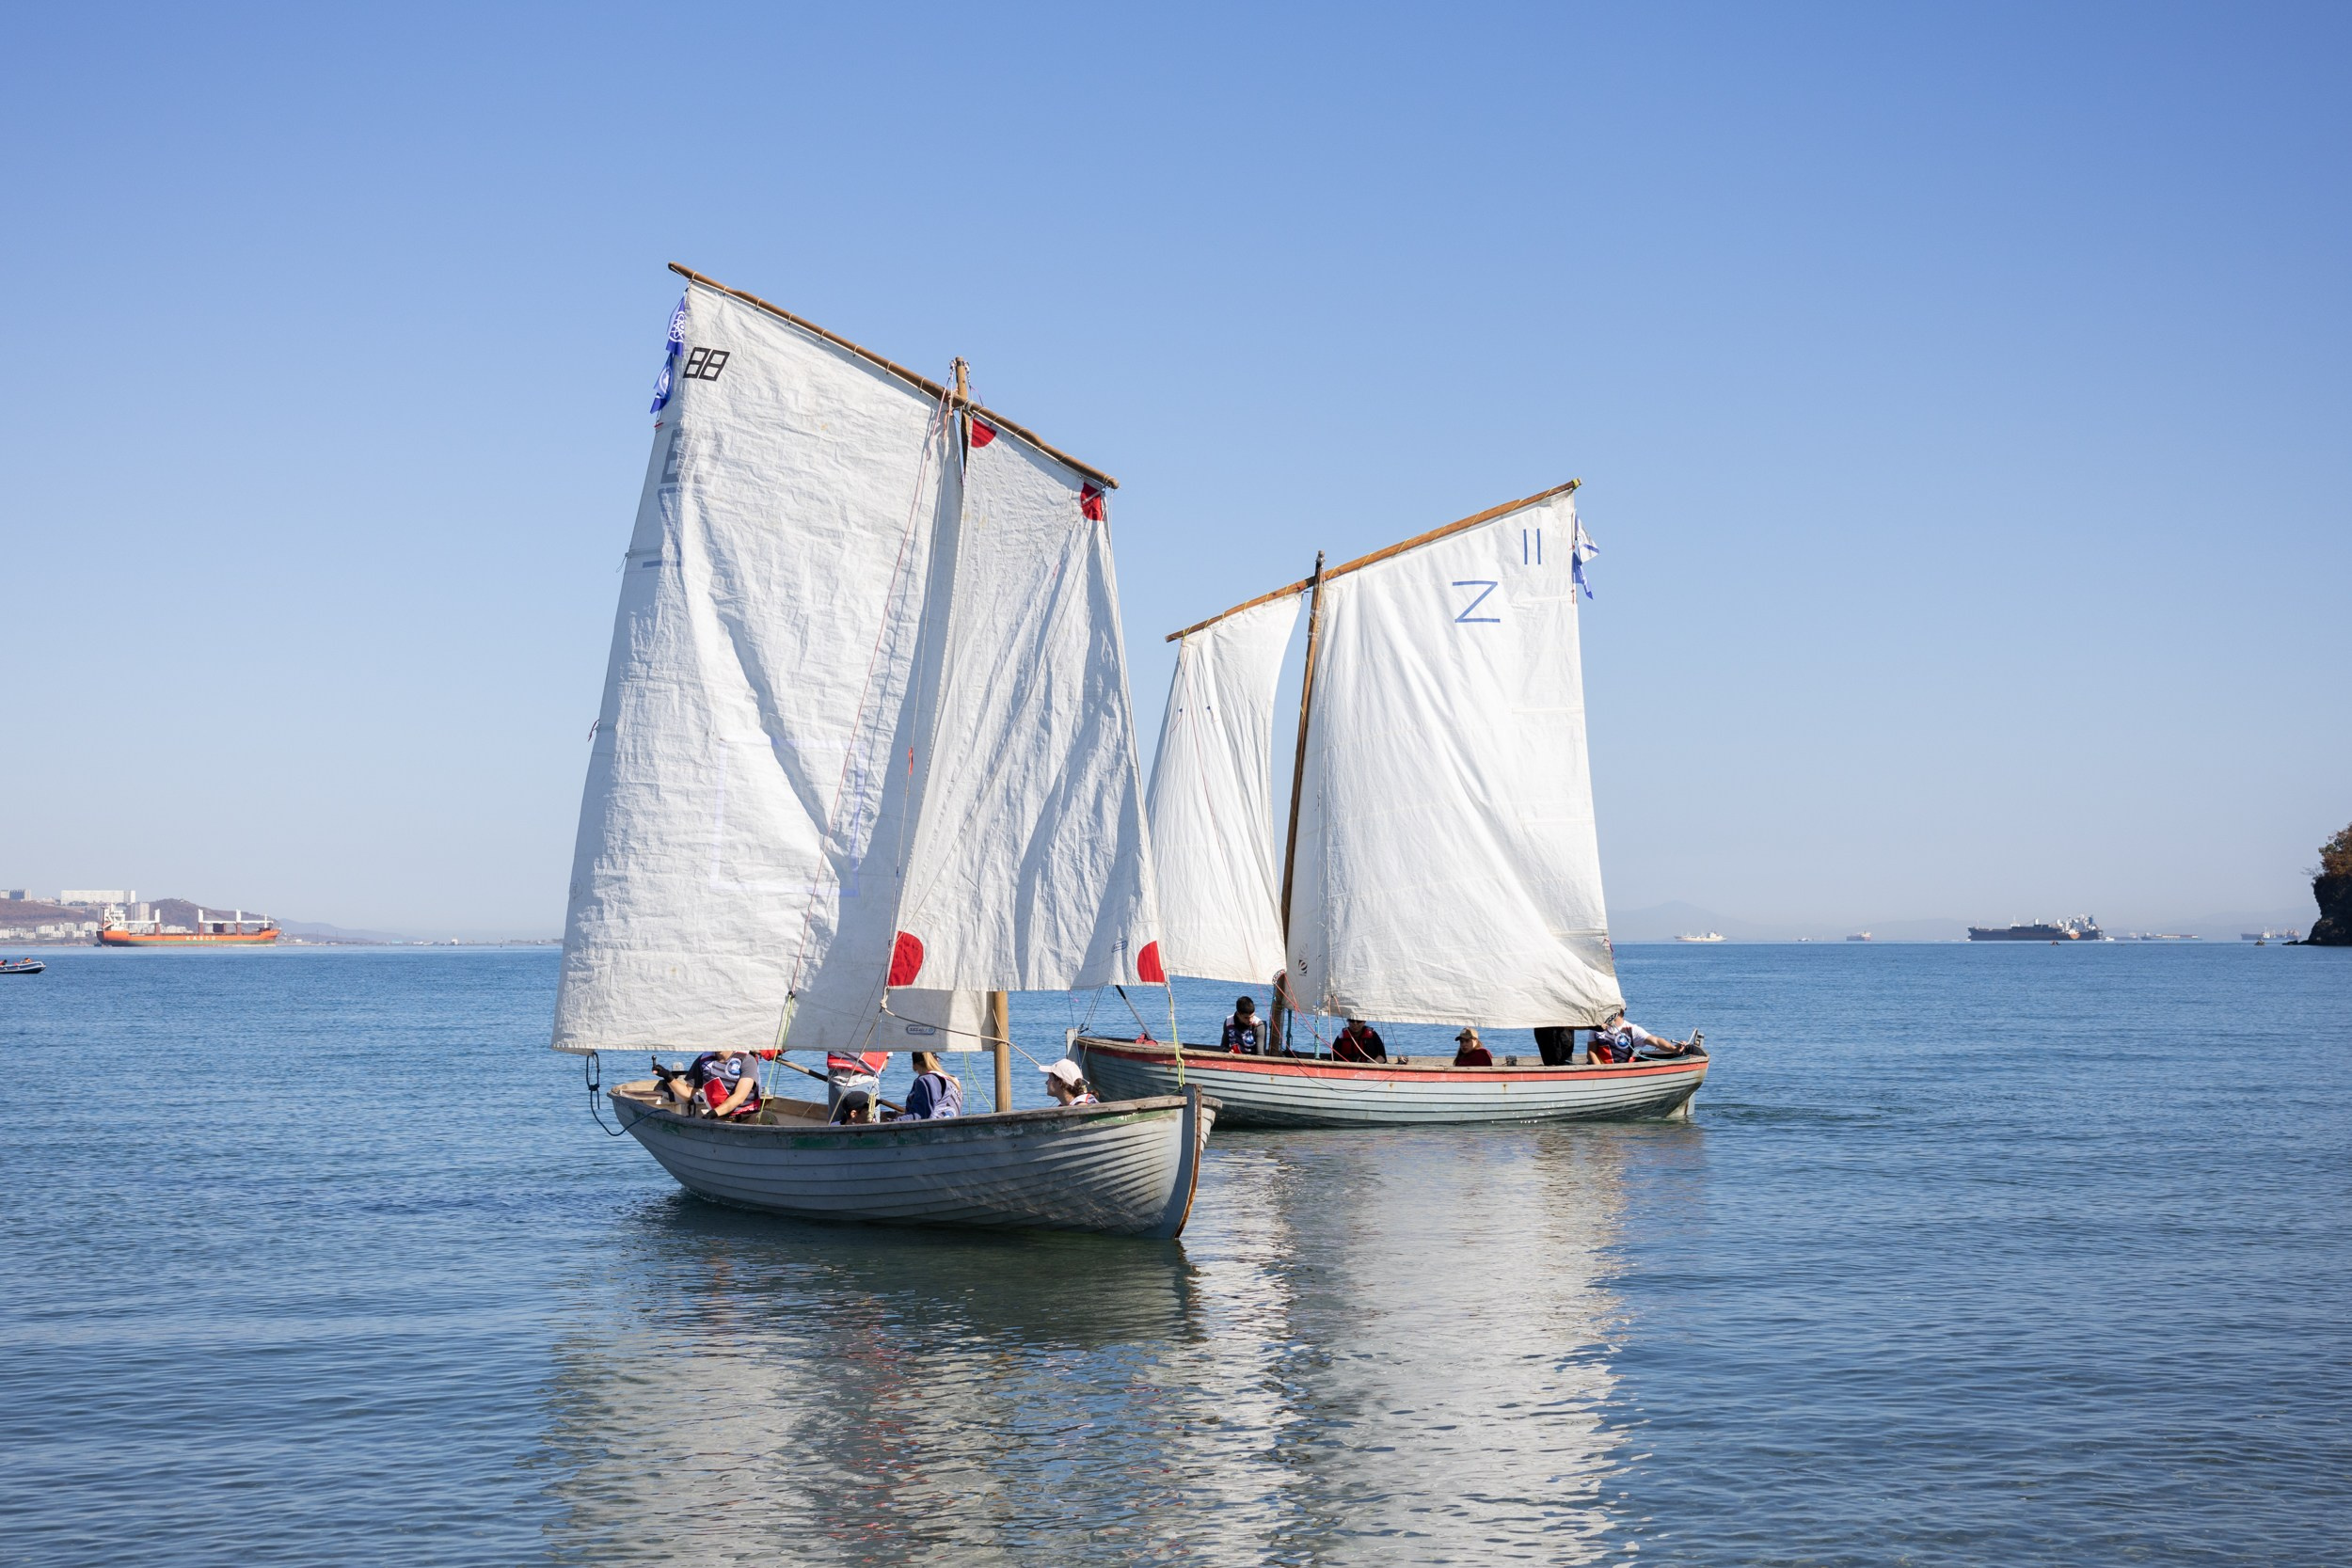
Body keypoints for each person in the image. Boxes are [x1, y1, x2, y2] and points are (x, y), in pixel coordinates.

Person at [656, 1047, 759, 1117]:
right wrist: (667, 1076)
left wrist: (713, 1114)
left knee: (768, 1118)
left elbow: (739, 1097)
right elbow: (687, 1094)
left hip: (747, 1115)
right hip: (719, 1118)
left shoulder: (746, 1059)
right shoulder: (703, 1060)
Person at [1590, 1007, 1702, 1062]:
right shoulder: (1597, 1029)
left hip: (1622, 1070)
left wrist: (1674, 1049)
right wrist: (1602, 1070)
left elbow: (1656, 1041)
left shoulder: (1632, 1029)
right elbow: (1591, 1052)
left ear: (1620, 1012)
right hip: (1602, 1070)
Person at [891, 1051, 963, 1120]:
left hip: (932, 1131)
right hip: (951, 1129)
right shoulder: (953, 1081)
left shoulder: (926, 1080)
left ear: (914, 1066)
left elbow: (920, 1116)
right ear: (937, 1060)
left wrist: (894, 1122)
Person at [825, 1048, 888, 1117]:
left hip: (837, 1083)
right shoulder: (884, 1037)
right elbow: (883, 1066)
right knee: (870, 1123)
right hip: (866, 1082)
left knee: (836, 1122)